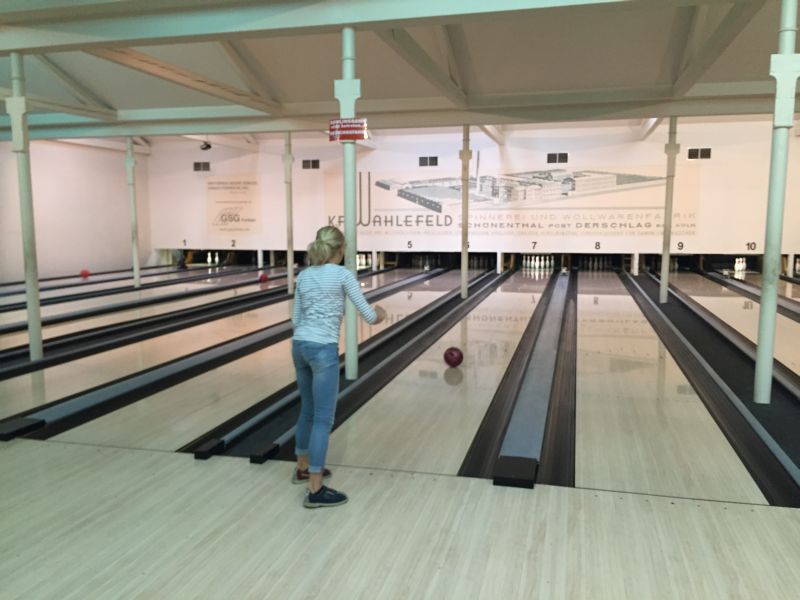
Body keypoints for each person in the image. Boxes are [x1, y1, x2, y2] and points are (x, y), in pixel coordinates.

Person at [291, 226, 387, 508]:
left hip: (299, 346)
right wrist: (380, 313)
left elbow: (296, 319)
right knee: (323, 419)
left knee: (307, 410)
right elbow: (369, 316)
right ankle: (315, 489)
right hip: (323, 350)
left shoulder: (303, 275)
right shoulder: (344, 275)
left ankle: (302, 468)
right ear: (341, 249)